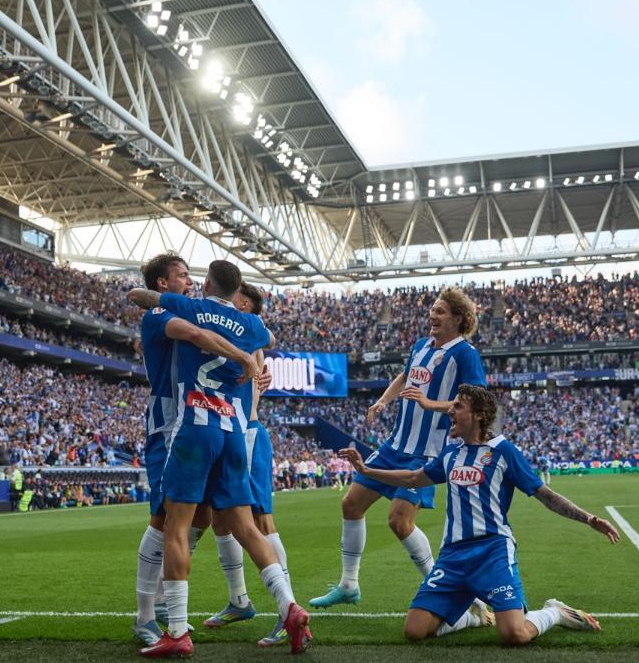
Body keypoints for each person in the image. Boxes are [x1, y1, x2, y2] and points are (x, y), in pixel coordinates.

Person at [338, 384, 619, 645]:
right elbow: (413, 477)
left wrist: (589, 519)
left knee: (515, 633)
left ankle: (554, 612)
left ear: (479, 415)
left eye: (458, 406)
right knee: (415, 630)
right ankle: (472, 616)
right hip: (453, 556)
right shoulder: (451, 453)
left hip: (492, 551)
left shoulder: (504, 451)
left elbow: (545, 495)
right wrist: (366, 471)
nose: (450, 410)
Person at [128, 260, 310, 657]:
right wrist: (247, 355)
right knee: (187, 520)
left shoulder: (186, 305)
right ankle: (151, 614)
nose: (189, 281)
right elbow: (196, 332)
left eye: (194, 278)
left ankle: (174, 616)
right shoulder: (165, 312)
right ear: (165, 282)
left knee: (198, 520)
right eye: (181, 276)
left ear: (210, 283)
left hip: (196, 423)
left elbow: (197, 325)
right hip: (179, 425)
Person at [311, 287, 488, 611]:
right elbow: (405, 375)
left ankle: (443, 590)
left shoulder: (465, 354)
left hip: (428, 451)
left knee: (399, 521)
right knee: (351, 505)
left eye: (441, 311)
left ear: (459, 318)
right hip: (396, 444)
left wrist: (430, 402)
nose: (432, 315)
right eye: (433, 309)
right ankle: (349, 585)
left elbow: (477, 400)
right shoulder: (420, 346)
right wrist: (382, 400)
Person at [203, 282, 293, 647]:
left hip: (248, 435)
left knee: (260, 522)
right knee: (220, 518)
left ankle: (289, 612)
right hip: (229, 432)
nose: (227, 303)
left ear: (246, 306)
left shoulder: (247, 331)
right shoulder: (230, 330)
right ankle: (239, 600)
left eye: (236, 300)